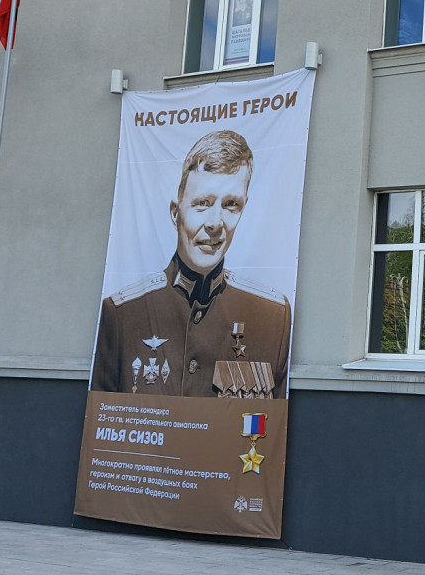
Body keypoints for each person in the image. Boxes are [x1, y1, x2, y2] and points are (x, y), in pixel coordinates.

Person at [91, 130, 291, 398]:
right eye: (202, 204)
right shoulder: (123, 314)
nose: (215, 223)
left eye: (231, 204)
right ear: (176, 213)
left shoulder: (272, 316)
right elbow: (105, 419)